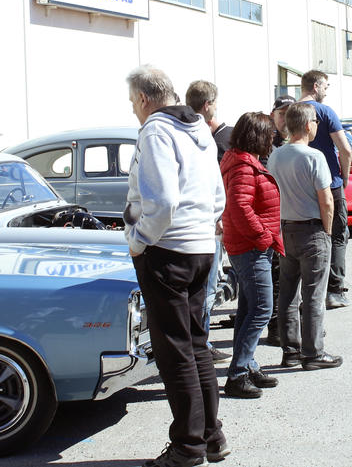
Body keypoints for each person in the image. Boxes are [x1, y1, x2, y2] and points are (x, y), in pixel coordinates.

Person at [123, 65, 229, 467]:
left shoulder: (156, 130)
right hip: (200, 247)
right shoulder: (199, 127)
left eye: (133, 102)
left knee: (175, 351)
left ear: (144, 98)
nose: (133, 110)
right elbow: (217, 195)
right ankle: (211, 436)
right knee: (196, 344)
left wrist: (139, 241)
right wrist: (202, 229)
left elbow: (164, 200)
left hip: (167, 250)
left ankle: (188, 446)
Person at [267, 102, 342, 371]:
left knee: (288, 293)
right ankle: (313, 353)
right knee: (313, 294)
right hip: (312, 229)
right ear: (309, 125)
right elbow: (327, 201)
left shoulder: (276, 156)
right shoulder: (314, 157)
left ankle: (291, 351)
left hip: (286, 228)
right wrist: (327, 231)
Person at [220, 112, 283, 399]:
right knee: (261, 310)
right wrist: (263, 237)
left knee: (249, 309)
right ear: (258, 136)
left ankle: (247, 365)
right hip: (250, 247)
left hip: (247, 245)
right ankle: (237, 374)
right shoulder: (244, 165)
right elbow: (239, 206)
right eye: (270, 135)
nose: (273, 139)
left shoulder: (241, 160)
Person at [298, 70, 352, 310]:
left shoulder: (291, 111)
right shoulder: (325, 112)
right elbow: (345, 149)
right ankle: (334, 290)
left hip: (298, 185)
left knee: (304, 237)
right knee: (337, 235)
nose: (327, 91)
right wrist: (345, 176)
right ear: (316, 86)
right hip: (329, 184)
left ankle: (304, 292)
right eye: (326, 86)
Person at [186, 80, 231, 362]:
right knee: (206, 290)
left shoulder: (180, 133)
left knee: (198, 291)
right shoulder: (204, 137)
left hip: (190, 226)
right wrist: (217, 215)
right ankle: (200, 346)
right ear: (207, 105)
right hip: (206, 226)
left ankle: (196, 345)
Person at [263, 95, 295, 346]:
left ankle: (293, 325)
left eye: (290, 113)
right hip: (273, 222)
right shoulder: (265, 143)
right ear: (273, 115)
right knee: (276, 277)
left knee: (293, 278)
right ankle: (276, 328)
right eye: (282, 113)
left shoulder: (299, 142)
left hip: (295, 220)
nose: (285, 119)